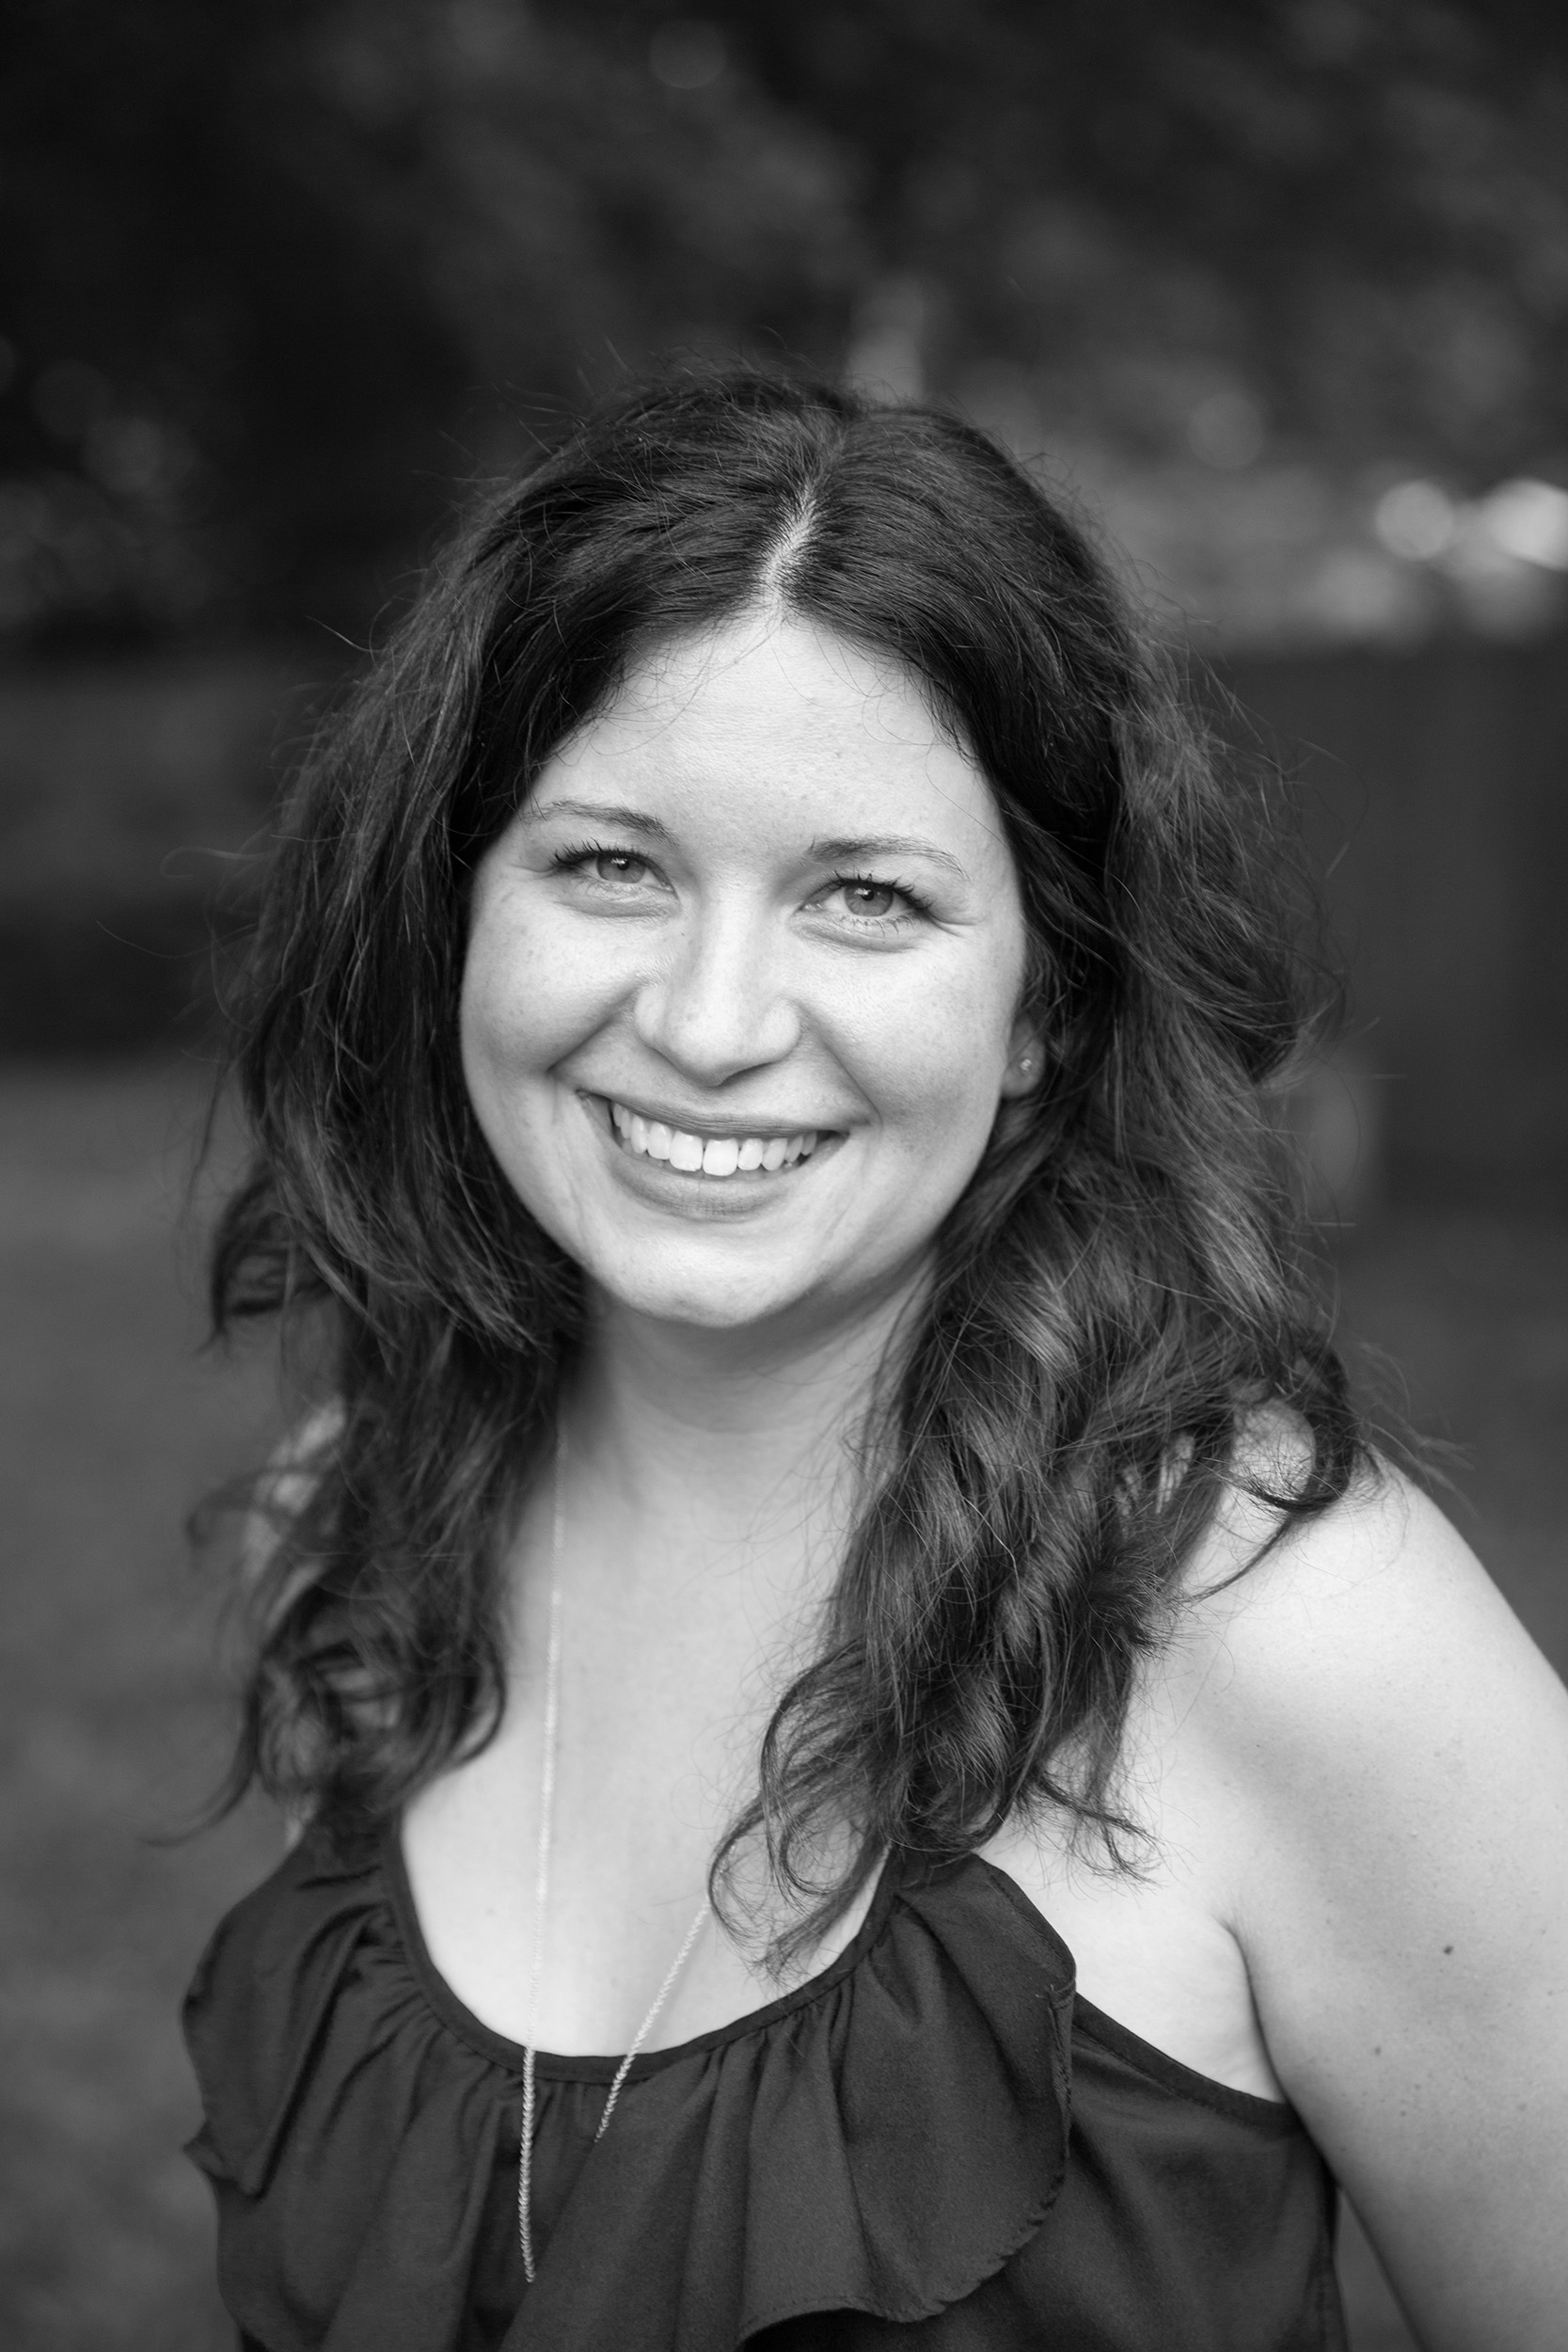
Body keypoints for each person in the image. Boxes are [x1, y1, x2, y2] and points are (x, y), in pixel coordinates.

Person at [183, 370, 1568, 2352]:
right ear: (454, 911)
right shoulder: (364, 1529)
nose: (716, 1017)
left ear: (1039, 1006)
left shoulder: (1304, 1639)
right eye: (609, 864)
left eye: (868, 895)